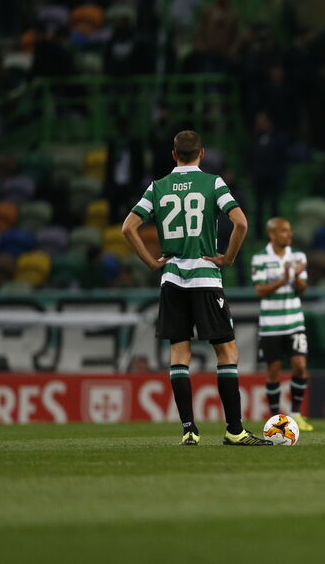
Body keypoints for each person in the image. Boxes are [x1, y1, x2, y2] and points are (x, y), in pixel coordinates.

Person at [122, 130, 271, 446]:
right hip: (205, 277)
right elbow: (241, 222)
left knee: (179, 352)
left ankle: (189, 429)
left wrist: (150, 261)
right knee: (227, 352)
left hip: (172, 278)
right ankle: (234, 430)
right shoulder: (212, 183)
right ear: (201, 154)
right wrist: (227, 258)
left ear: (173, 155)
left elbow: (128, 227)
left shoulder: (158, 187)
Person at [251, 217, 314, 432]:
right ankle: (276, 418)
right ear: (272, 234)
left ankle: (296, 414)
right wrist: (283, 278)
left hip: (294, 321)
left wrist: (295, 277)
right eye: (284, 231)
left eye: (289, 230)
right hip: (270, 324)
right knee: (274, 371)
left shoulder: (298, 256)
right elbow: (259, 290)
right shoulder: (260, 258)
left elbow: (302, 289)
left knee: (300, 366)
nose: (289, 234)